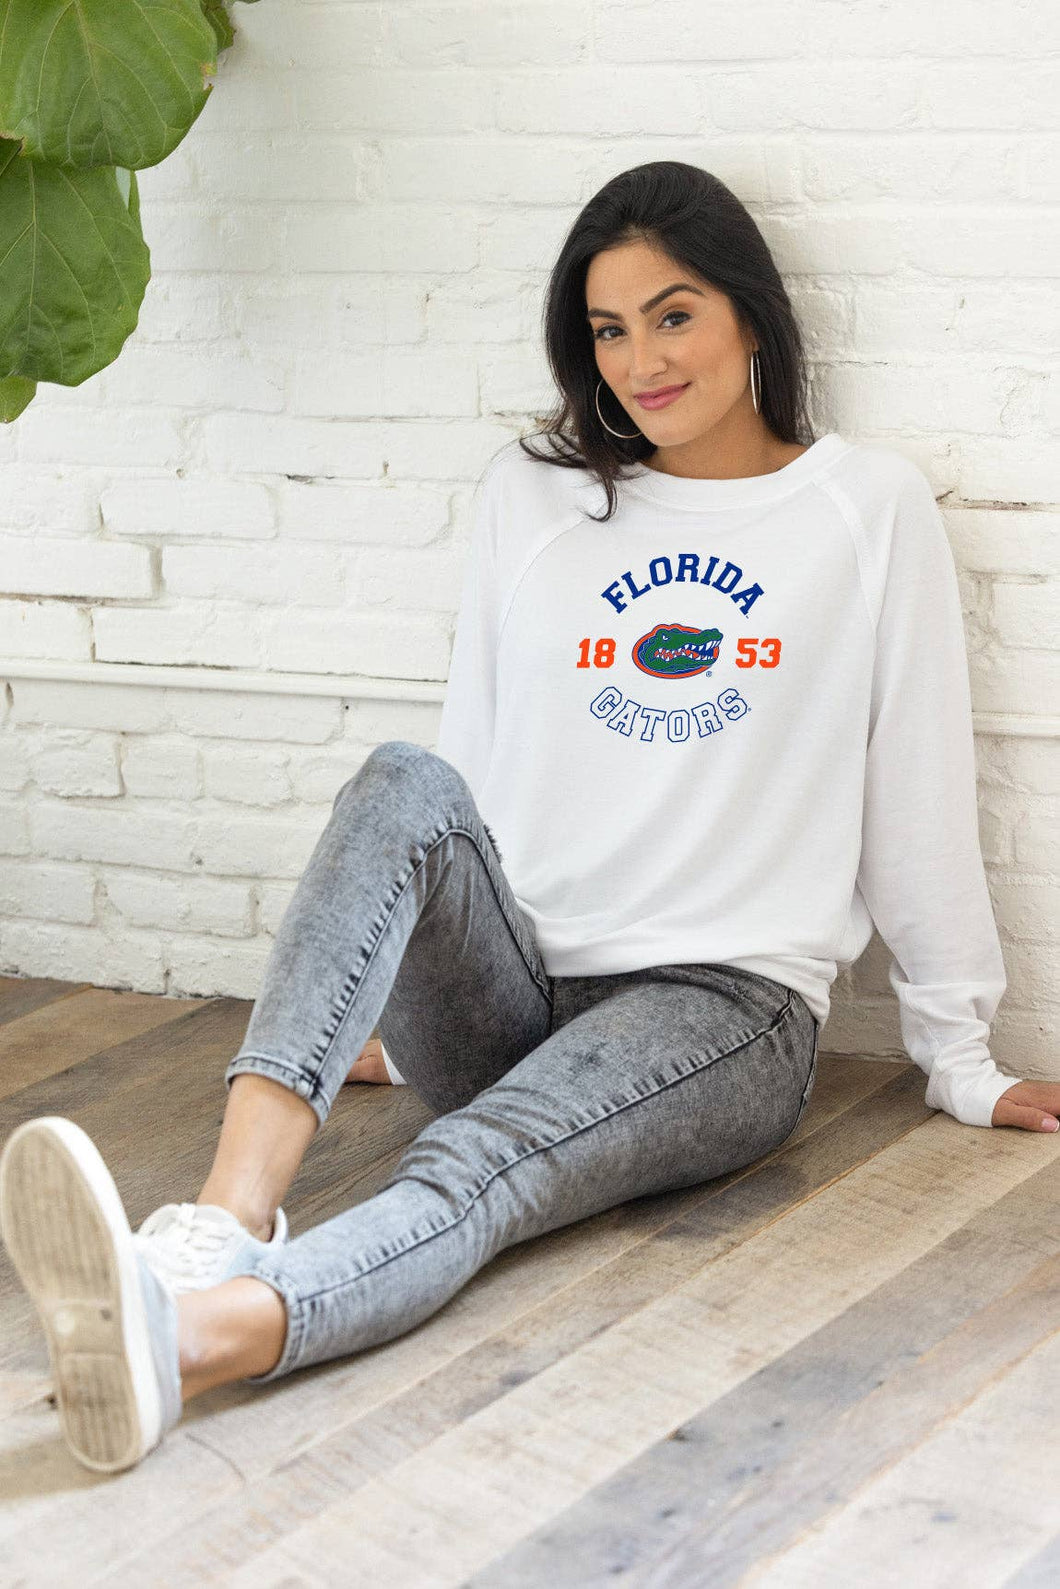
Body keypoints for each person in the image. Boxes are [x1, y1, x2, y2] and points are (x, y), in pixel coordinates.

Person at [2, 160, 1055, 1478]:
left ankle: (190, 1342)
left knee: (477, 1161)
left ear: (750, 315)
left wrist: (960, 1051)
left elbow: (917, 788)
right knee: (402, 776)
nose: (641, 362)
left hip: (720, 1010)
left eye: (672, 316)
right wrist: (397, 993)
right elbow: (471, 761)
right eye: (609, 332)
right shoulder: (537, 493)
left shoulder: (866, 507)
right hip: (519, 979)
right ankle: (220, 1220)